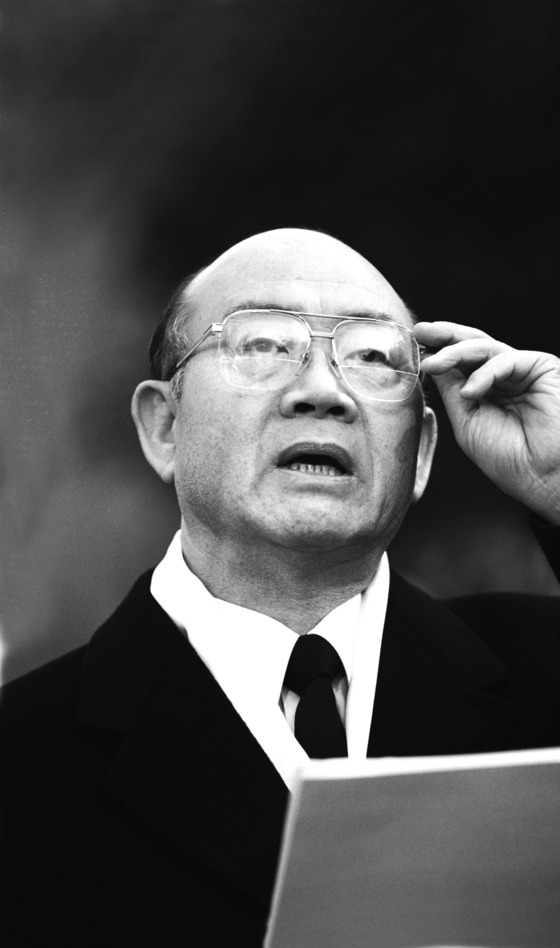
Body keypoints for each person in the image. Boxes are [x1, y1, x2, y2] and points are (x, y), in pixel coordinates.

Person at [2, 228, 560, 947]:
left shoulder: (543, 674)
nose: (324, 391)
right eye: (263, 345)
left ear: (421, 452)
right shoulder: (22, 760)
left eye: (371, 357)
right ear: (163, 426)